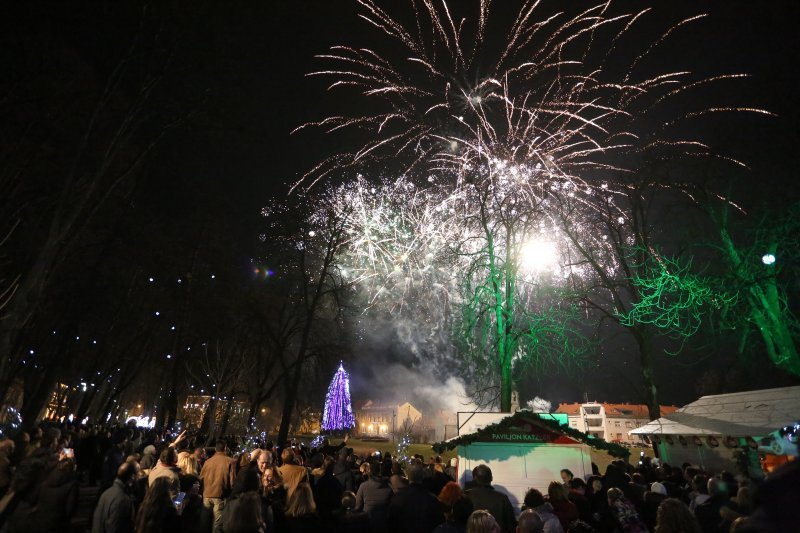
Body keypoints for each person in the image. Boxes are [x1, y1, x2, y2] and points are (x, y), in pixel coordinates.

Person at [387, 463, 443, 533]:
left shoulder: (398, 497)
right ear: (422, 477)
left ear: (408, 477)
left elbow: (391, 523)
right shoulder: (431, 499)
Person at [464, 465, 516, 533]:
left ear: (475, 478)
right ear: (491, 478)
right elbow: (511, 525)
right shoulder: (502, 498)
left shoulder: (466, 496)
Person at [92, 461, 140, 533]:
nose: (138, 479)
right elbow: (116, 528)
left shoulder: (107, 493)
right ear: (132, 477)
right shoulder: (123, 499)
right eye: (138, 476)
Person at [200, 440, 237, 532]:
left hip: (206, 495)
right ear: (225, 448)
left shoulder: (207, 461)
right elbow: (232, 481)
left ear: (216, 449)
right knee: (217, 525)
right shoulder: (230, 461)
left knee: (204, 522)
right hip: (220, 495)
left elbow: (201, 477)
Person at [355, 460, 393, 533]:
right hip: (383, 523)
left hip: (368, 523)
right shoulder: (389, 487)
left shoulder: (363, 486)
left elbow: (358, 506)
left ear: (369, 471)